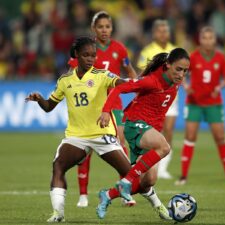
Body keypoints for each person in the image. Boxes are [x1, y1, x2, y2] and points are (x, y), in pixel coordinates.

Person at [25, 37, 134, 222]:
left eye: (93, 55)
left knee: (131, 174)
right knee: (58, 166)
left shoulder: (102, 75)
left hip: (102, 134)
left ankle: (158, 204)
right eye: (86, 55)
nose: (91, 59)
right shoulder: (65, 80)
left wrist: (139, 82)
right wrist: (39, 99)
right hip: (77, 137)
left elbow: (123, 83)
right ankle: (58, 214)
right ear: (76, 55)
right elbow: (49, 106)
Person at [96, 48, 190, 219]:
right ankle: (125, 182)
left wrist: (156, 131)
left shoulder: (175, 83)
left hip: (148, 130)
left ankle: (107, 195)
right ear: (168, 65)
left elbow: (159, 111)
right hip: (135, 125)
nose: (181, 74)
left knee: (148, 181)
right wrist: (105, 111)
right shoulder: (151, 81)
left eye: (185, 71)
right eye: (178, 69)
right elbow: (118, 89)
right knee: (164, 147)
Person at [68, 11, 137, 208]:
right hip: (91, 105)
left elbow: (129, 71)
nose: (104, 30)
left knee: (120, 144)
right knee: (85, 148)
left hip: (114, 103)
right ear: (94, 29)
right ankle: (83, 195)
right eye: (100, 27)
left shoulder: (119, 49)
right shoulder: (87, 49)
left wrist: (137, 87)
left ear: (112, 28)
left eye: (107, 26)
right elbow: (72, 70)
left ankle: (125, 191)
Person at [175, 26, 225, 185]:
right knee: (189, 137)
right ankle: (183, 176)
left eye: (211, 38)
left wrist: (219, 87)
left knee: (220, 138)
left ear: (214, 40)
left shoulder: (220, 58)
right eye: (205, 38)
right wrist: (186, 86)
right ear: (200, 40)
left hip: (213, 103)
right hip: (194, 103)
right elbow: (180, 74)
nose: (208, 41)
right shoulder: (193, 57)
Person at [137, 19, 176, 179]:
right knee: (153, 133)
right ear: (154, 33)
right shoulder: (147, 51)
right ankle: (152, 165)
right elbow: (142, 74)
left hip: (171, 98)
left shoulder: (175, 50)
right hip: (152, 100)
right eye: (160, 31)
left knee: (168, 132)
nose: (163, 34)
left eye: (165, 30)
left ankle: (163, 168)